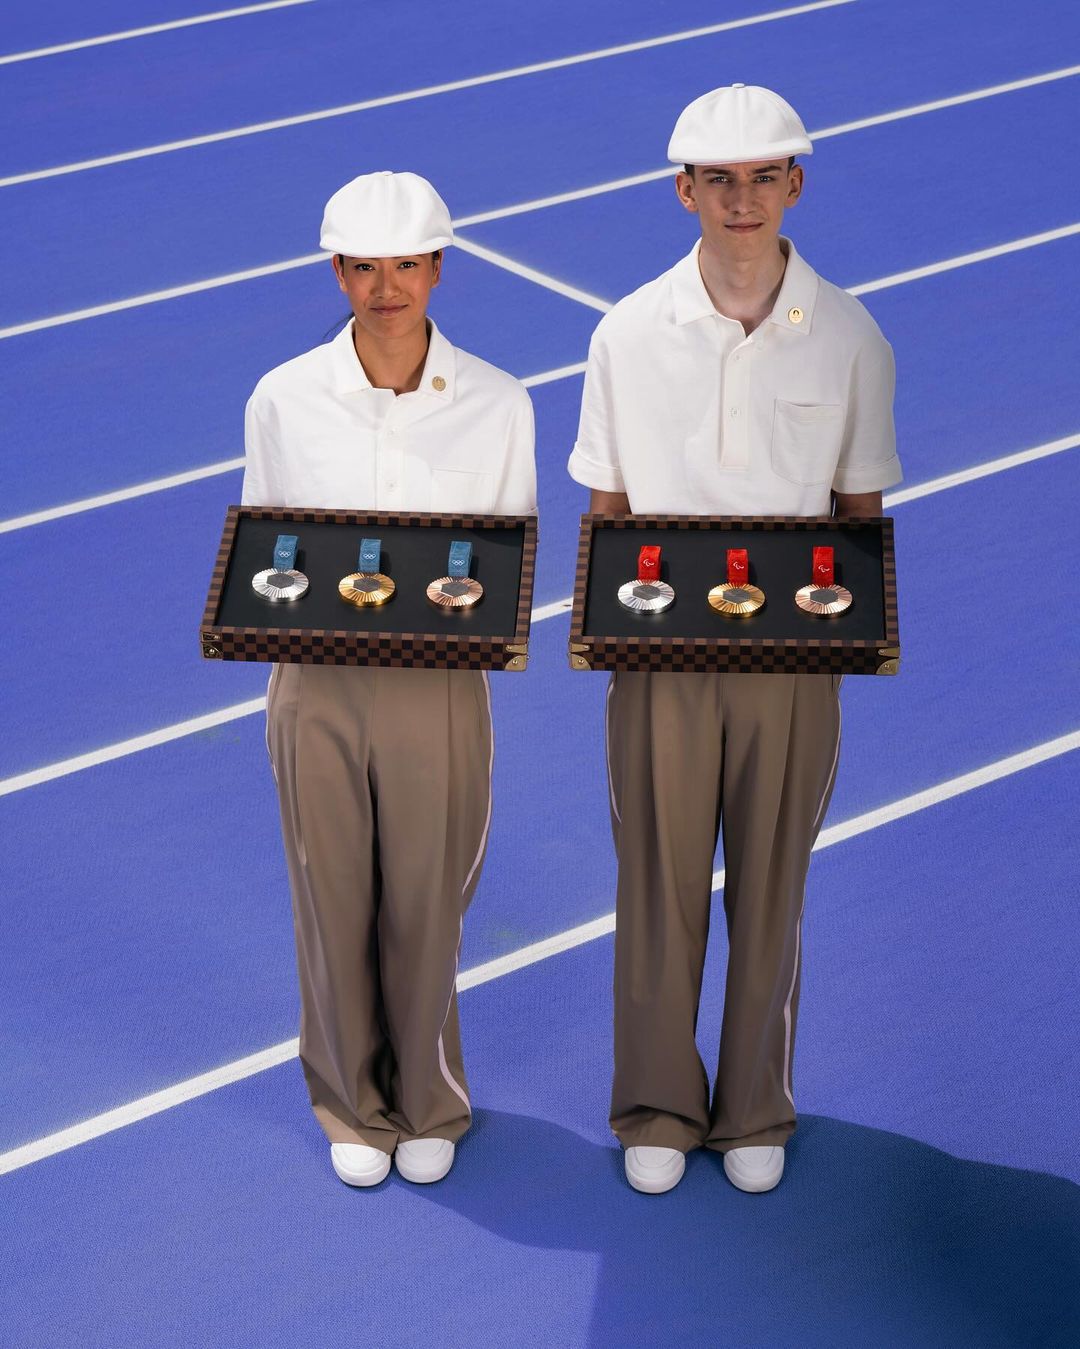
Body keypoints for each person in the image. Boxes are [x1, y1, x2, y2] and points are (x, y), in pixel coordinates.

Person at [567, 85, 901, 1195]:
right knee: (656, 883)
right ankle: (657, 1104)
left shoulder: (854, 337)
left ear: (796, 183)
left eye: (764, 176)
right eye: (720, 179)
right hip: (660, 667)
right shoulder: (622, 334)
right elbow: (607, 514)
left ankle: (755, 1101)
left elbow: (859, 523)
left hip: (792, 671)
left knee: (773, 884)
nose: (742, 198)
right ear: (685, 191)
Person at [242, 170, 536, 1187]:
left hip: (439, 688)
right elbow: (265, 548)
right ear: (337, 271)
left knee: (427, 896)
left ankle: (429, 1098)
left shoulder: (500, 403)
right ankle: (350, 1104)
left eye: (404, 264)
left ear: (437, 268)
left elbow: (506, 560)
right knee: (329, 895)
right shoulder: (282, 397)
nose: (384, 286)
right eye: (362, 266)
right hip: (315, 682)